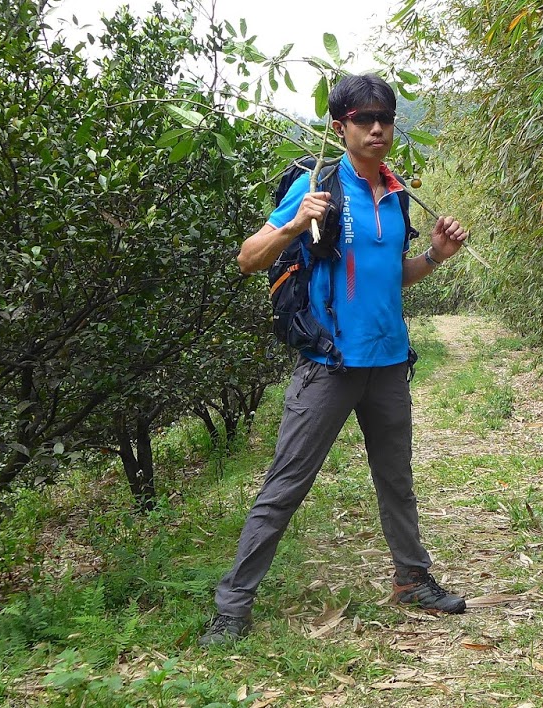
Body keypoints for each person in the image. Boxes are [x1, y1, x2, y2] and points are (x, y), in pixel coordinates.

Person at [200, 73, 470, 646]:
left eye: (385, 119)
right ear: (339, 126)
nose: (377, 129)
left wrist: (435, 256)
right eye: (363, 119)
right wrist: (297, 223)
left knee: (397, 480)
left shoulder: (397, 195)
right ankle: (233, 605)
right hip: (330, 363)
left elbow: (391, 276)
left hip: (388, 363)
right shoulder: (318, 184)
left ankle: (411, 580)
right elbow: (248, 258)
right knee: (286, 485)